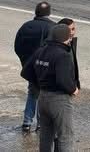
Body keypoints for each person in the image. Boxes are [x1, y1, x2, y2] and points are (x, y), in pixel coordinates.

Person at [21, 24, 78, 152]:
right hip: (59, 100)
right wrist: (73, 89)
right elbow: (63, 80)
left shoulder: (40, 51)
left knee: (46, 135)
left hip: (43, 98)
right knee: (65, 136)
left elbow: (25, 72)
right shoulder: (63, 55)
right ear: (67, 38)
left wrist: (40, 83)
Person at [14, 1, 54, 133]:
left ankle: (27, 122)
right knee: (44, 96)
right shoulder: (53, 28)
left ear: (36, 12)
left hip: (30, 69)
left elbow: (18, 47)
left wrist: (26, 63)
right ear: (49, 13)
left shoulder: (26, 26)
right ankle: (41, 124)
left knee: (32, 93)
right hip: (46, 69)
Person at [56, 19, 80, 91]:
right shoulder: (56, 48)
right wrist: (71, 88)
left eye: (73, 29)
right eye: (68, 30)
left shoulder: (70, 43)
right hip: (60, 90)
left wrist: (76, 84)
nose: (72, 32)